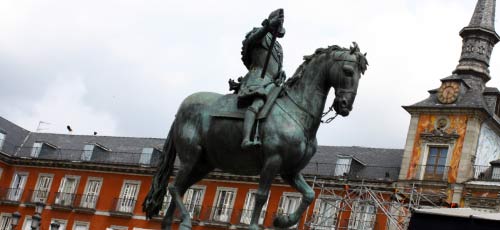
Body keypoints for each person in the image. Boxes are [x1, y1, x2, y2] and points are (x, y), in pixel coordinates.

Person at [238, 9, 286, 149]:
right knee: (258, 102)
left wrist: (280, 72)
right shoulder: (259, 33)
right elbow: (250, 42)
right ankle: (246, 139)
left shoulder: (278, 46)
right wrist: (267, 27)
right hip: (258, 78)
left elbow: (275, 66)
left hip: (272, 82)